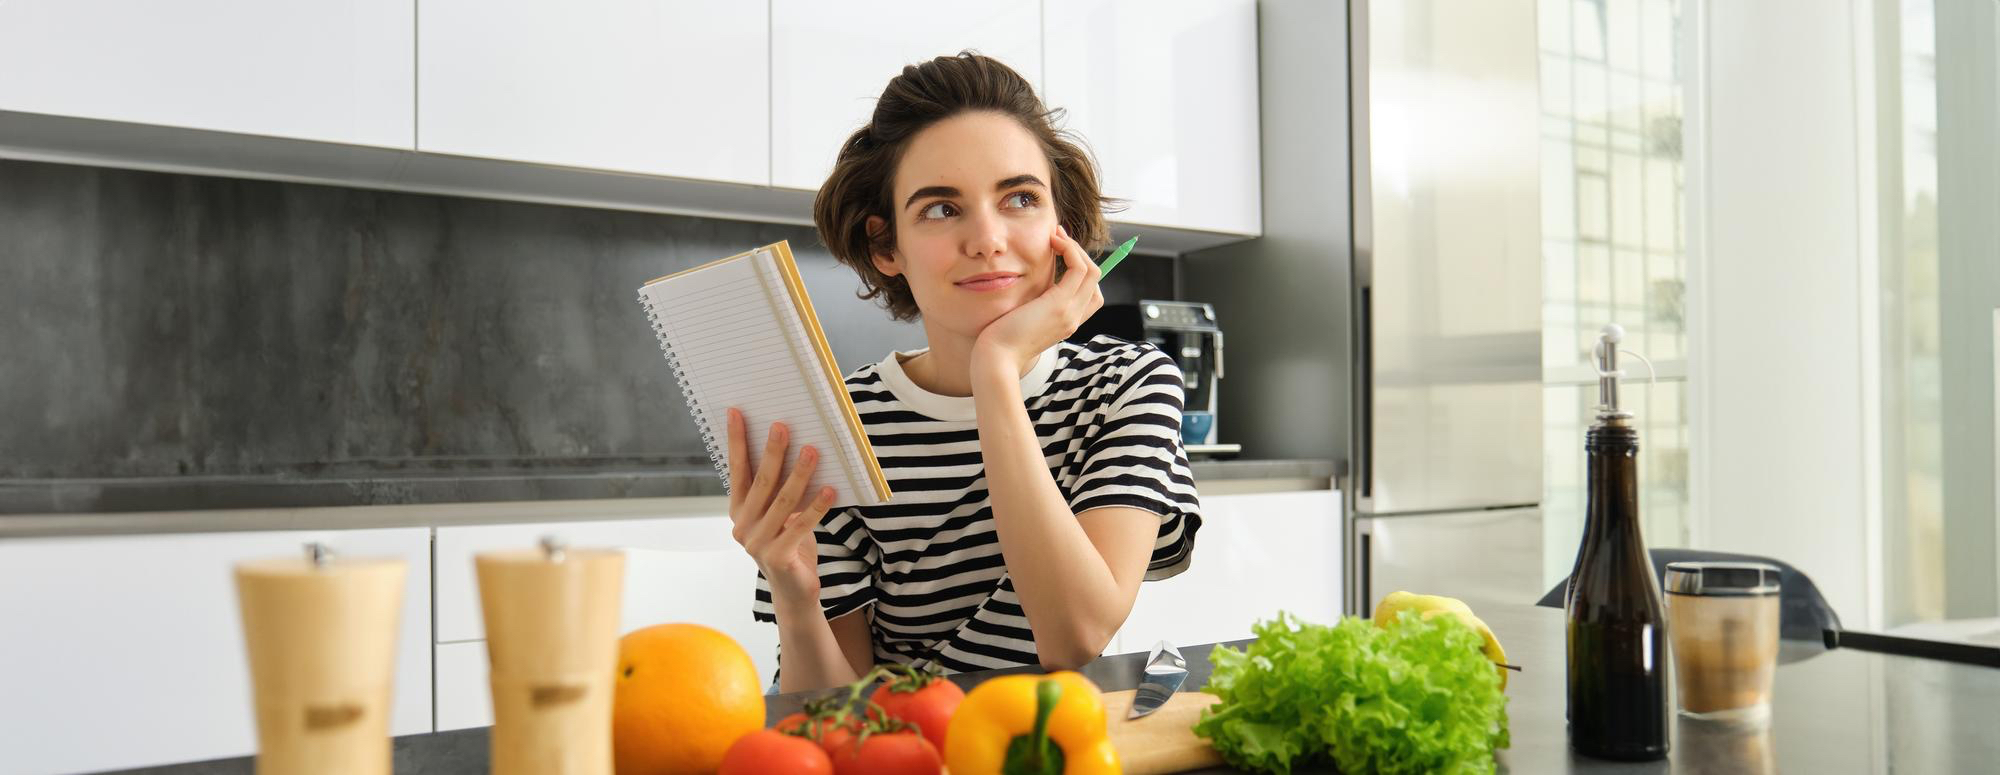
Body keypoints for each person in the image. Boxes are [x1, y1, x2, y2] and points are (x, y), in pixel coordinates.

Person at [731, 52, 1202, 693]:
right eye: (941, 209)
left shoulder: (1126, 384)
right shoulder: (840, 423)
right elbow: (833, 711)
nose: (987, 238)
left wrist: (997, 369)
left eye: (1019, 199)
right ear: (885, 245)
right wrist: (793, 588)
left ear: (1060, 227)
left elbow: (1074, 635)